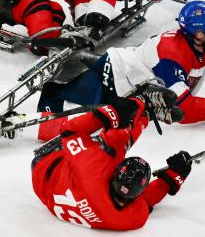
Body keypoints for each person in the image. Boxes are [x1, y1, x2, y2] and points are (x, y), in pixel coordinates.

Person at [37, 0, 205, 129]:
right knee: (52, 121)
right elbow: (183, 109)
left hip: (131, 94)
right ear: (193, 33)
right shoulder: (171, 52)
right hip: (108, 80)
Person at [32, 89, 193, 231]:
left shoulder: (93, 170)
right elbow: (146, 201)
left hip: (44, 167)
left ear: (115, 174)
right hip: (54, 194)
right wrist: (171, 179)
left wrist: (111, 114)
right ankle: (145, 115)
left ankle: (143, 105)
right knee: (115, 145)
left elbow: (69, 131)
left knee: (116, 141)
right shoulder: (130, 219)